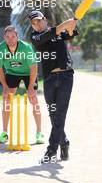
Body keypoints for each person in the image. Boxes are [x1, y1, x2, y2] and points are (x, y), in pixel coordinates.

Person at [28, 10, 78, 163]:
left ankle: (51, 151)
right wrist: (65, 24)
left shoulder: (58, 32)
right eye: (33, 23)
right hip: (49, 79)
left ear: (45, 19)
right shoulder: (36, 37)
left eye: (38, 20)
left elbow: (70, 33)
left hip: (65, 77)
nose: (37, 24)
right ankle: (64, 142)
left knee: (60, 115)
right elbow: (50, 34)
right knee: (53, 115)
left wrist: (72, 24)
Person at [0, 26, 44, 144]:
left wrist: (31, 87)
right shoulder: (0, 49)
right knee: (6, 99)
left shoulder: (26, 48)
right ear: (4, 38)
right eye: (8, 37)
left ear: (17, 37)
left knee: (33, 99)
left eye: (13, 36)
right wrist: (5, 88)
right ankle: (4, 133)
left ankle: (39, 133)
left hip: (28, 73)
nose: (10, 39)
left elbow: (33, 68)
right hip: (12, 72)